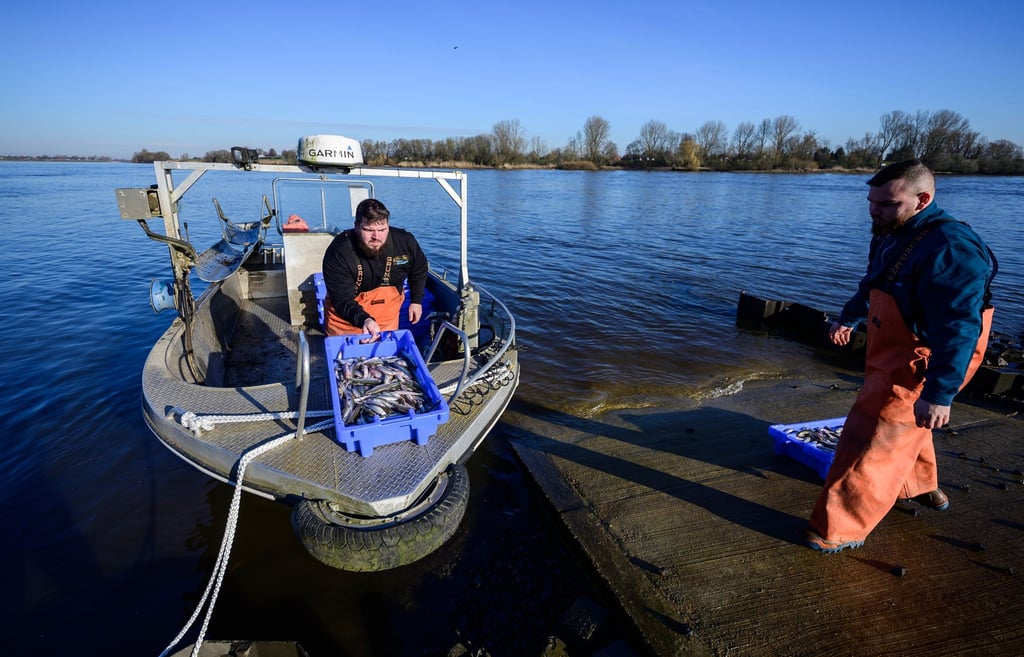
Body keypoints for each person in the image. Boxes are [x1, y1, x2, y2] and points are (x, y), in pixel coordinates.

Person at [805, 159, 996, 553]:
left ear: (922, 199)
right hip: (891, 343)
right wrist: (849, 318)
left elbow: (960, 327)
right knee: (907, 425)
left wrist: (940, 392)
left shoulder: (950, 249)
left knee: (872, 435)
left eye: (887, 203)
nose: (875, 210)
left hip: (931, 353)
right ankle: (919, 486)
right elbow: (875, 282)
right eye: (871, 201)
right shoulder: (891, 231)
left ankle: (838, 528)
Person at [322, 198, 428, 342]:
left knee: (384, 359)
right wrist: (364, 320)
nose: (376, 237)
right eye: (369, 229)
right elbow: (341, 298)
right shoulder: (339, 251)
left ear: (388, 226)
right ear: (357, 226)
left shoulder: (404, 241)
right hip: (346, 322)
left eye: (382, 229)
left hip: (387, 320)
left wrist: (416, 300)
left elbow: (419, 268)